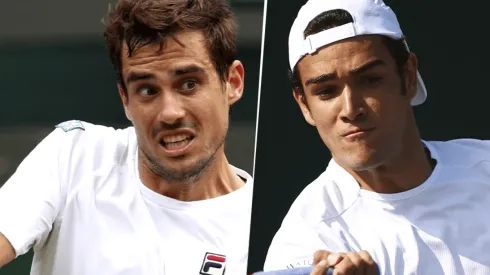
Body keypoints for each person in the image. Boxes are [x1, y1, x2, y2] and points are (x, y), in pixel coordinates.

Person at [0, 0, 254, 274]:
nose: (170, 113)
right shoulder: (75, 156)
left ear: (233, 83)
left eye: (189, 84)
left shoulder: (270, 234)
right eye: (147, 90)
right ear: (125, 100)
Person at [263, 0, 490, 274]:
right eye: (326, 91)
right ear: (304, 105)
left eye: (370, 80)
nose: (350, 109)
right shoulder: (304, 241)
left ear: (408, 76)